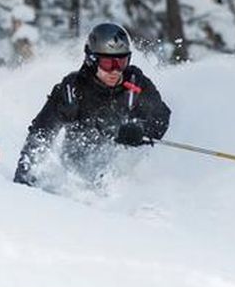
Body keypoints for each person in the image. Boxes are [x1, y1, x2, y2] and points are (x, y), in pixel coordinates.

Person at [14, 22, 171, 190]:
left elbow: (161, 117)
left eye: (122, 62)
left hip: (122, 177)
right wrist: (24, 174)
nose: (116, 71)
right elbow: (41, 133)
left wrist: (141, 129)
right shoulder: (72, 90)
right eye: (108, 64)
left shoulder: (136, 83)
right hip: (74, 179)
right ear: (92, 59)